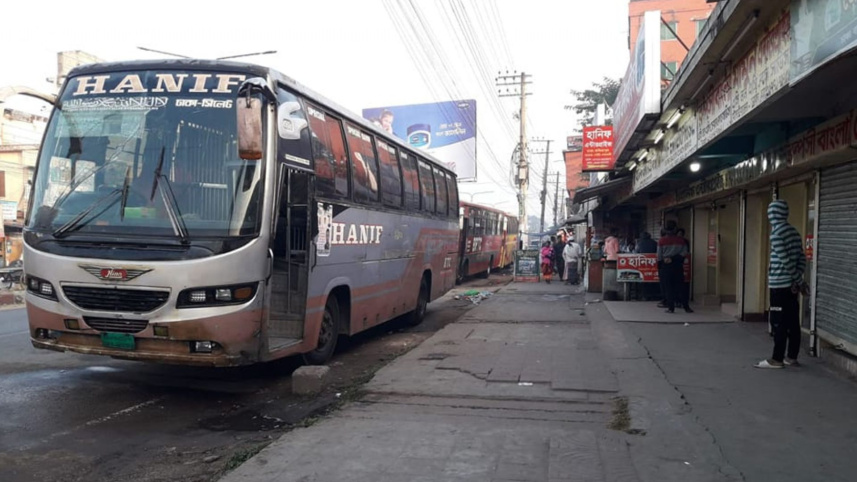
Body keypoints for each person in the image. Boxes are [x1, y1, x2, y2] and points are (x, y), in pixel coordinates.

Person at [756, 200, 807, 369]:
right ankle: (791, 357)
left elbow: (785, 260)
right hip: (791, 286)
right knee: (793, 321)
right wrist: (798, 280)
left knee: (778, 322)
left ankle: (776, 359)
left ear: (772, 215)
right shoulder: (794, 232)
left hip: (779, 285)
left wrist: (797, 280)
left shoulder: (776, 234)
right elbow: (801, 258)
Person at [658, 222, 692, 313]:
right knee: (681, 286)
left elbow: (659, 256)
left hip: (666, 266)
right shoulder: (681, 241)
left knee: (668, 287)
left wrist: (661, 265)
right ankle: (686, 307)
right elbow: (684, 253)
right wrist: (674, 258)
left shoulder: (661, 241)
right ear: (675, 230)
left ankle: (671, 308)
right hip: (678, 265)